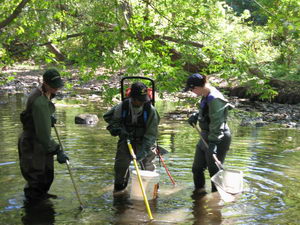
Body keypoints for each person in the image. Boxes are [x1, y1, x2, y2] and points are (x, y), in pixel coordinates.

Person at [18, 68, 69, 202]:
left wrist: (47, 117)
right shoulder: (39, 101)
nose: (56, 89)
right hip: (33, 143)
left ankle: (42, 199)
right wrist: (57, 150)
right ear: (45, 83)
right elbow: (43, 135)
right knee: (36, 177)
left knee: (47, 175)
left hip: (40, 143)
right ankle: (34, 209)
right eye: (53, 87)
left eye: (58, 86)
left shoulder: (44, 94)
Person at [103, 81, 160, 195]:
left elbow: (151, 135)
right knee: (121, 166)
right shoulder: (122, 107)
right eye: (140, 99)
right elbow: (110, 119)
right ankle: (119, 192)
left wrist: (143, 152)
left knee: (148, 167)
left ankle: (151, 193)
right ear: (132, 98)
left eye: (144, 100)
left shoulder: (150, 111)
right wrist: (118, 130)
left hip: (145, 141)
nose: (142, 102)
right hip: (126, 140)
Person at [184, 73, 232, 195]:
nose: (191, 92)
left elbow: (217, 123)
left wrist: (214, 144)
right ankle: (199, 196)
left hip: (218, 137)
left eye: (191, 89)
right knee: (197, 168)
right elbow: (205, 110)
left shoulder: (215, 98)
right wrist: (196, 115)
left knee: (214, 171)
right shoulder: (205, 94)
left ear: (197, 87)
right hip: (205, 135)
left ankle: (216, 200)